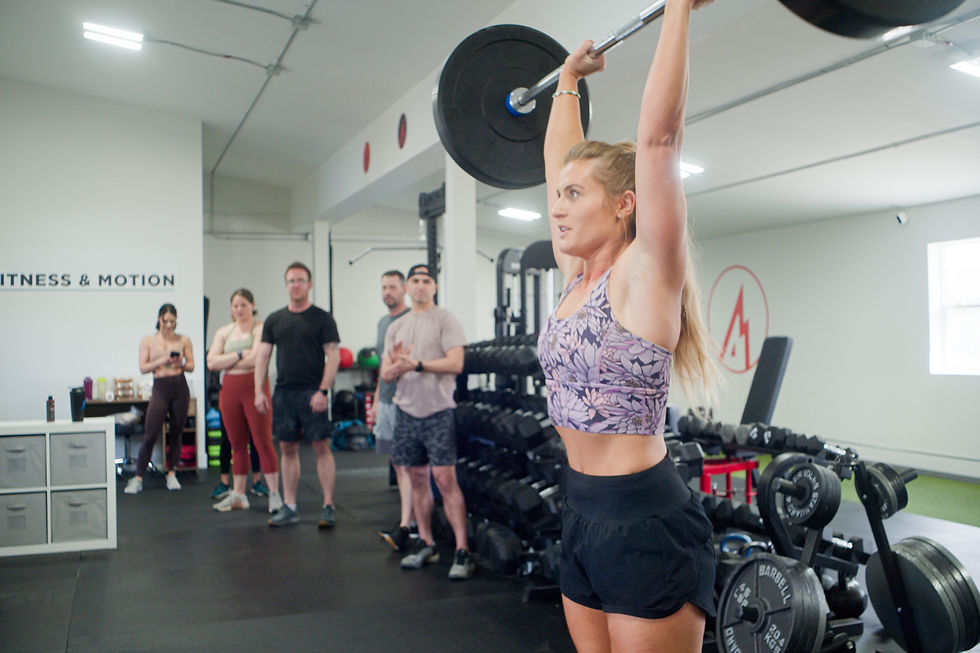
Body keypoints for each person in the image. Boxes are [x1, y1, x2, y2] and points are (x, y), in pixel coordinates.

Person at [537, 1, 720, 650]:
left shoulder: (645, 277)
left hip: (645, 519)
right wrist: (566, 81)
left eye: (574, 196)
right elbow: (561, 158)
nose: (557, 208)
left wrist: (677, 13)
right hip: (580, 511)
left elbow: (660, 142)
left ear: (625, 205)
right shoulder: (574, 276)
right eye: (557, 196)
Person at [380, 264, 474, 580]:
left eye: (426, 281)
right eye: (415, 281)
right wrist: (395, 368)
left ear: (434, 287)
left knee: (445, 481)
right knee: (417, 479)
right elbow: (384, 372)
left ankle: (462, 550)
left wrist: (416, 364)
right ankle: (427, 543)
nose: (420, 286)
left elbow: (456, 362)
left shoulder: (445, 320)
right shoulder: (397, 327)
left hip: (438, 412)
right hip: (406, 411)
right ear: (407, 287)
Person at [254, 262, 341, 528]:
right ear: (286, 285)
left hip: (312, 391)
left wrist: (323, 390)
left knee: (321, 447)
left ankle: (328, 505)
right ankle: (290, 505)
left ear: (309, 285)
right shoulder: (275, 319)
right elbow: (263, 356)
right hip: (284, 393)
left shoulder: (322, 318)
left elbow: (334, 355)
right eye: (291, 280)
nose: (296, 285)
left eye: (301, 280)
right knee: (287, 449)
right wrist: (259, 390)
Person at [206, 288, 282, 513]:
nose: (239, 309)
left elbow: (256, 359)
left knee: (263, 442)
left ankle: (275, 495)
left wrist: (226, 361)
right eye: (235, 305)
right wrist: (239, 355)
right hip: (229, 390)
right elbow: (211, 363)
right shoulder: (224, 331)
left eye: (243, 305)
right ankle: (238, 495)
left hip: (254, 387)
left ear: (252, 305)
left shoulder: (261, 328)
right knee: (237, 444)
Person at [371, 270, 419, 552]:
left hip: (407, 401)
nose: (387, 292)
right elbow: (383, 365)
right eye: (384, 287)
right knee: (398, 464)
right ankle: (406, 520)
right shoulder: (383, 323)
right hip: (387, 400)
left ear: (404, 290)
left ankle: (408, 524)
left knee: (409, 465)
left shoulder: (411, 321)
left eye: (392, 287)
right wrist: (377, 398)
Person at [125, 304, 195, 494]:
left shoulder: (183, 340)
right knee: (151, 433)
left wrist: (180, 362)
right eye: (166, 321)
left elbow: (192, 366)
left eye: (173, 322)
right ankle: (138, 478)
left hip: (179, 386)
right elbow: (143, 367)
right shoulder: (148, 341)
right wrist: (161, 361)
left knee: (177, 431)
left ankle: (171, 473)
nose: (169, 325)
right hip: (161, 387)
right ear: (159, 320)